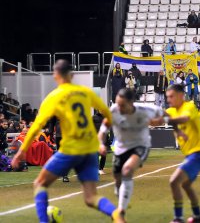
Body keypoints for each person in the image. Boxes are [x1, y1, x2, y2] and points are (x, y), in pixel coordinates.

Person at [11, 60, 123, 222]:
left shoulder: (54, 97)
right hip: (90, 149)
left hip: (71, 149)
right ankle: (115, 214)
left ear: (55, 75)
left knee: (40, 184)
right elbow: (106, 112)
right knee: (91, 197)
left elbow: (36, 127)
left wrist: (21, 152)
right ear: (71, 75)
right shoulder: (85, 92)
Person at [98, 88, 163, 222]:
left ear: (131, 103)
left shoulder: (144, 109)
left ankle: (120, 211)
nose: (119, 107)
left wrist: (157, 122)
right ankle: (119, 191)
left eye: (122, 105)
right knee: (117, 178)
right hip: (121, 148)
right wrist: (100, 144)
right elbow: (103, 129)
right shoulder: (114, 110)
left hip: (140, 146)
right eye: (117, 103)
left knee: (127, 170)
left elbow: (164, 116)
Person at [160, 84, 200, 223]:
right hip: (190, 155)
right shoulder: (170, 111)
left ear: (181, 95)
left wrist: (165, 119)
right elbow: (169, 121)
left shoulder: (189, 107)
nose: (168, 100)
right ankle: (198, 216)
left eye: (171, 96)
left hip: (198, 153)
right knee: (185, 185)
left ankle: (178, 218)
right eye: (167, 97)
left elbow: (184, 119)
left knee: (174, 181)